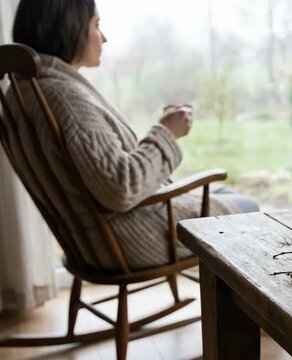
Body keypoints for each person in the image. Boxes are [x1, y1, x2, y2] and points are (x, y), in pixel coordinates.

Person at [6, 0, 258, 270]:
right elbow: (120, 188)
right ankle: (234, 310)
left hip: (87, 242)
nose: (104, 37)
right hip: (131, 237)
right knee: (248, 209)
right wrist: (167, 133)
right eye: (96, 25)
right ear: (69, 29)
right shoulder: (65, 99)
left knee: (225, 193)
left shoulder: (21, 92)